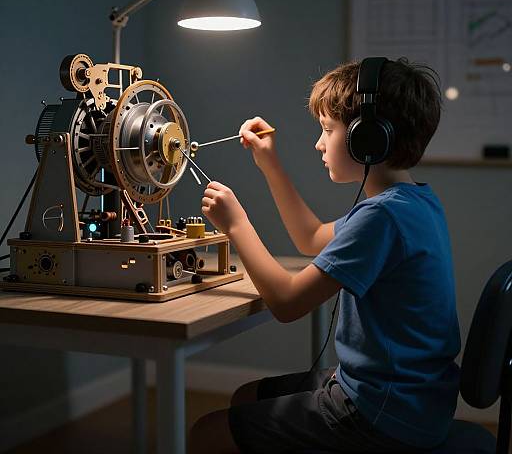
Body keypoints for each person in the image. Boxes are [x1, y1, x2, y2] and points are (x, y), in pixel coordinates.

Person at [188, 58, 461, 454]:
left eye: (328, 130)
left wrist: (236, 226)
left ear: (368, 138)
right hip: (414, 400)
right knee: (247, 395)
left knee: (207, 433)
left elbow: (286, 303)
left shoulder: (383, 217)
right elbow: (313, 238)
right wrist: (270, 163)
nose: (319, 143)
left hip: (385, 410)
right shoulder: (411, 202)